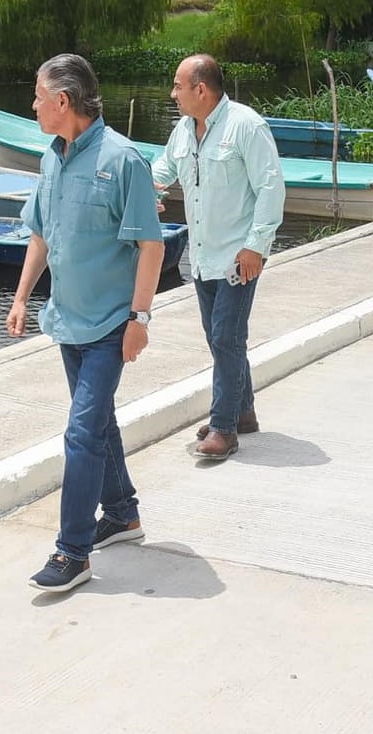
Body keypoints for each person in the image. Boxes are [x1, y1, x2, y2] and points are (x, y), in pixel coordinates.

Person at [7, 53, 165, 593]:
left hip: (108, 326)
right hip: (67, 322)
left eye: (37, 95)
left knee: (81, 432)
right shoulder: (52, 158)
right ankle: (121, 514)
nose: (32, 105)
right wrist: (22, 296)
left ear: (63, 101)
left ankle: (72, 552)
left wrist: (140, 317)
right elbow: (42, 234)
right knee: (98, 424)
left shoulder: (124, 161)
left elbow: (151, 244)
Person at [151, 54, 285, 460]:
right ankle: (242, 412)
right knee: (220, 337)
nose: (172, 94)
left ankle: (224, 429)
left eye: (177, 86)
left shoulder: (246, 126)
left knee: (226, 336)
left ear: (201, 89)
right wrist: (145, 192)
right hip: (204, 256)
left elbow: (270, 188)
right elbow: (162, 169)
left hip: (238, 256)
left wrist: (256, 246)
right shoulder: (184, 131)